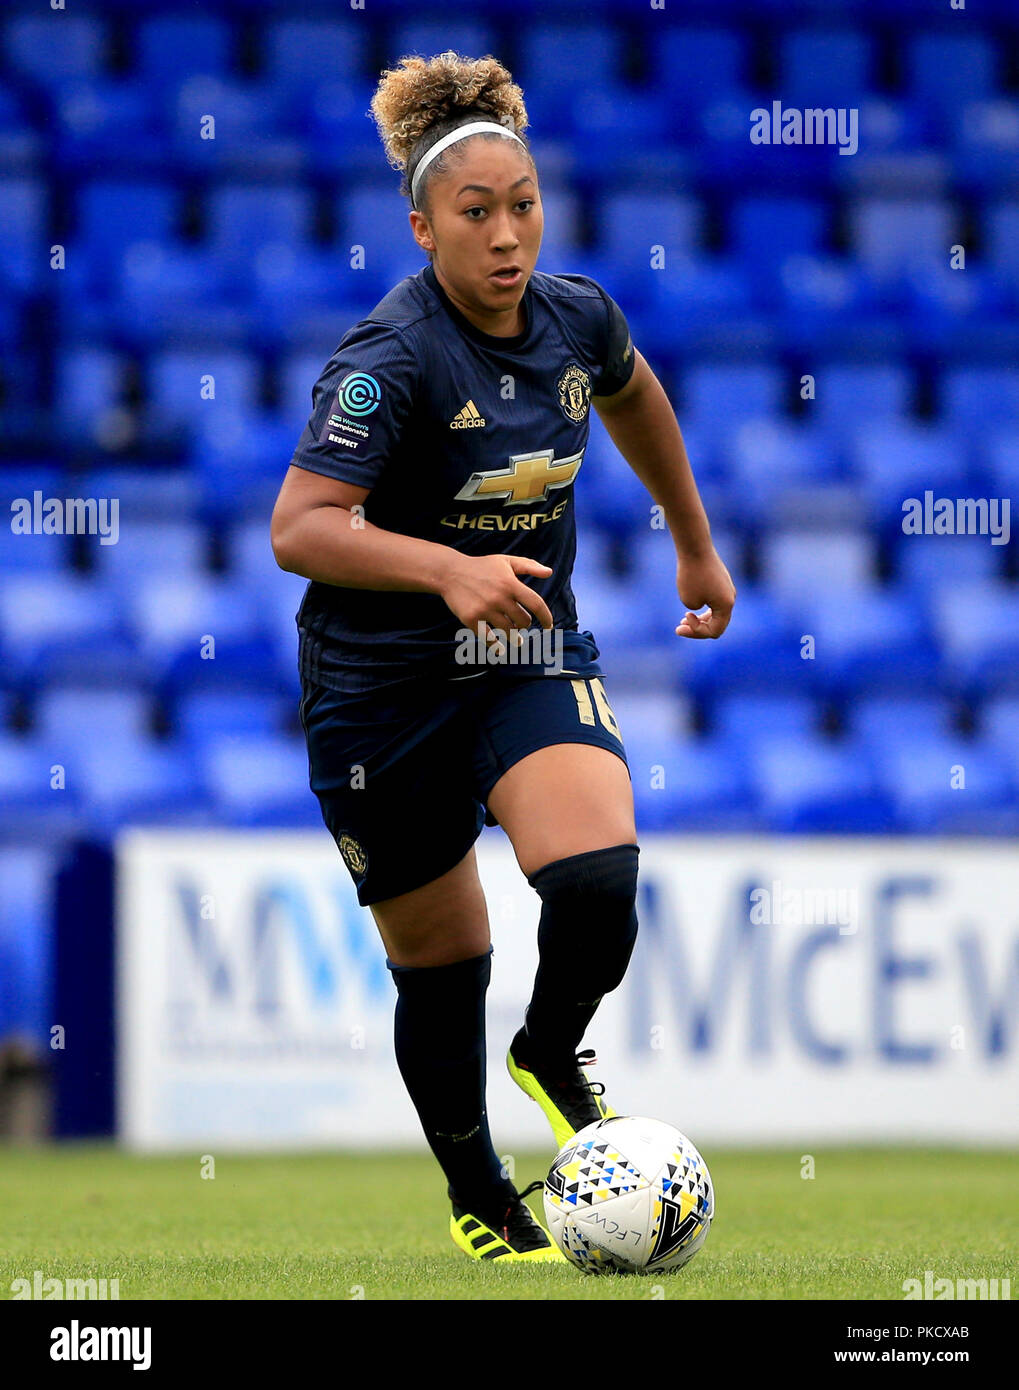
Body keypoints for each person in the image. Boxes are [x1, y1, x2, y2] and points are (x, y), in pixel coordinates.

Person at [271, 51, 735, 1263]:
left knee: (592, 883)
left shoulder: (578, 314)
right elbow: (300, 528)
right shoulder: (389, 361)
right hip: (380, 687)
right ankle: (483, 1194)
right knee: (443, 962)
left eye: (521, 204)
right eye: (474, 214)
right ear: (423, 227)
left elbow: (633, 397)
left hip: (524, 646)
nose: (505, 233)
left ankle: (547, 1045)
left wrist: (692, 545)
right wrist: (444, 567)